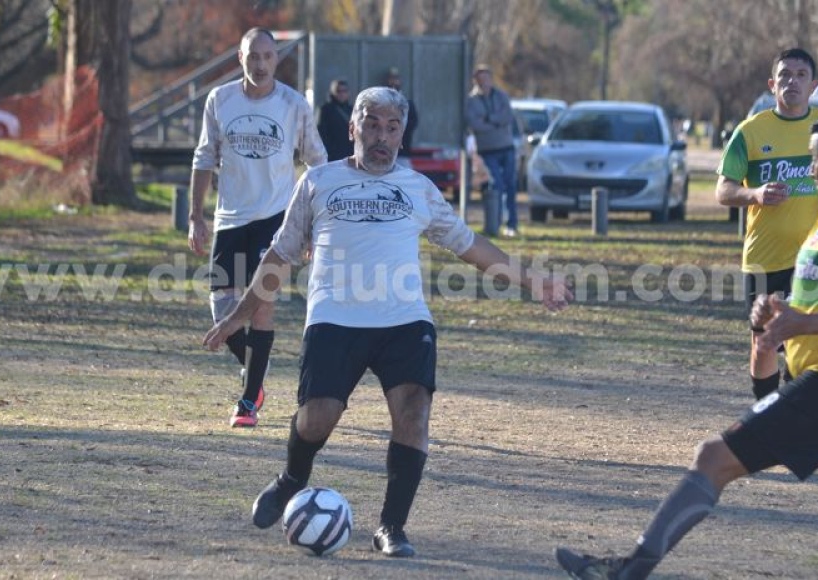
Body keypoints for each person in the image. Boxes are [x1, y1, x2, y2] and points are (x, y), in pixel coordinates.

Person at [555, 111, 818, 579]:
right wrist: (781, 309)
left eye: (815, 162)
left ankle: (626, 571)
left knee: (714, 457)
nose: (811, 173)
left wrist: (799, 323)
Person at [203, 87, 572, 558]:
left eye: (392, 128)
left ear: (402, 134)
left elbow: (470, 245)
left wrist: (532, 282)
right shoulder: (319, 181)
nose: (382, 137)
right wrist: (238, 317)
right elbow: (278, 256)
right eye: (373, 125)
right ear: (353, 128)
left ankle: (392, 527)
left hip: (403, 320)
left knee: (414, 412)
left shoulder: (419, 188)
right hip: (335, 319)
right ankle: (292, 477)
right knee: (317, 419)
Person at [188, 27, 328, 429]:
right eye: (254, 56)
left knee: (262, 306)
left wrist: (312, 225)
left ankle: (248, 401)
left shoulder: (293, 104)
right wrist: (196, 215)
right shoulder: (220, 100)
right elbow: (203, 158)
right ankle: (256, 376)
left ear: (276, 59)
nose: (261, 64)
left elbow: (317, 162)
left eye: (268, 56)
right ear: (240, 58)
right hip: (230, 217)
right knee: (223, 308)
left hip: (277, 219)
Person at [715, 48, 818, 401]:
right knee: (764, 341)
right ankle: (765, 412)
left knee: (805, 341)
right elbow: (723, 190)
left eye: (800, 75)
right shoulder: (750, 131)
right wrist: (756, 194)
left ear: (813, 86)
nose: (791, 81)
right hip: (764, 257)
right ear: (771, 84)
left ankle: (795, 415)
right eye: (784, 75)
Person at [466, 64, 519, 237]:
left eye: (486, 78)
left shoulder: (501, 96)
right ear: (475, 81)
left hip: (507, 146)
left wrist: (489, 119)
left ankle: (512, 224)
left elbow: (508, 117)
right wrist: (496, 122)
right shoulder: (472, 101)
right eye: (480, 79)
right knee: (497, 184)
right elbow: (476, 125)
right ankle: (494, 223)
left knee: (510, 184)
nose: (484, 82)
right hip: (488, 149)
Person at [384, 67, 418, 167]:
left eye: (396, 79)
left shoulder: (408, 103)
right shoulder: (381, 103)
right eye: (391, 79)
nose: (394, 82)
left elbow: (413, 122)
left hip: (403, 152)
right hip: (385, 152)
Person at [316, 78, 354, 162]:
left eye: (344, 91)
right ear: (332, 92)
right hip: (332, 157)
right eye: (338, 91)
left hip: (349, 155)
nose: (342, 94)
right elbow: (321, 133)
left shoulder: (352, 110)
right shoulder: (325, 110)